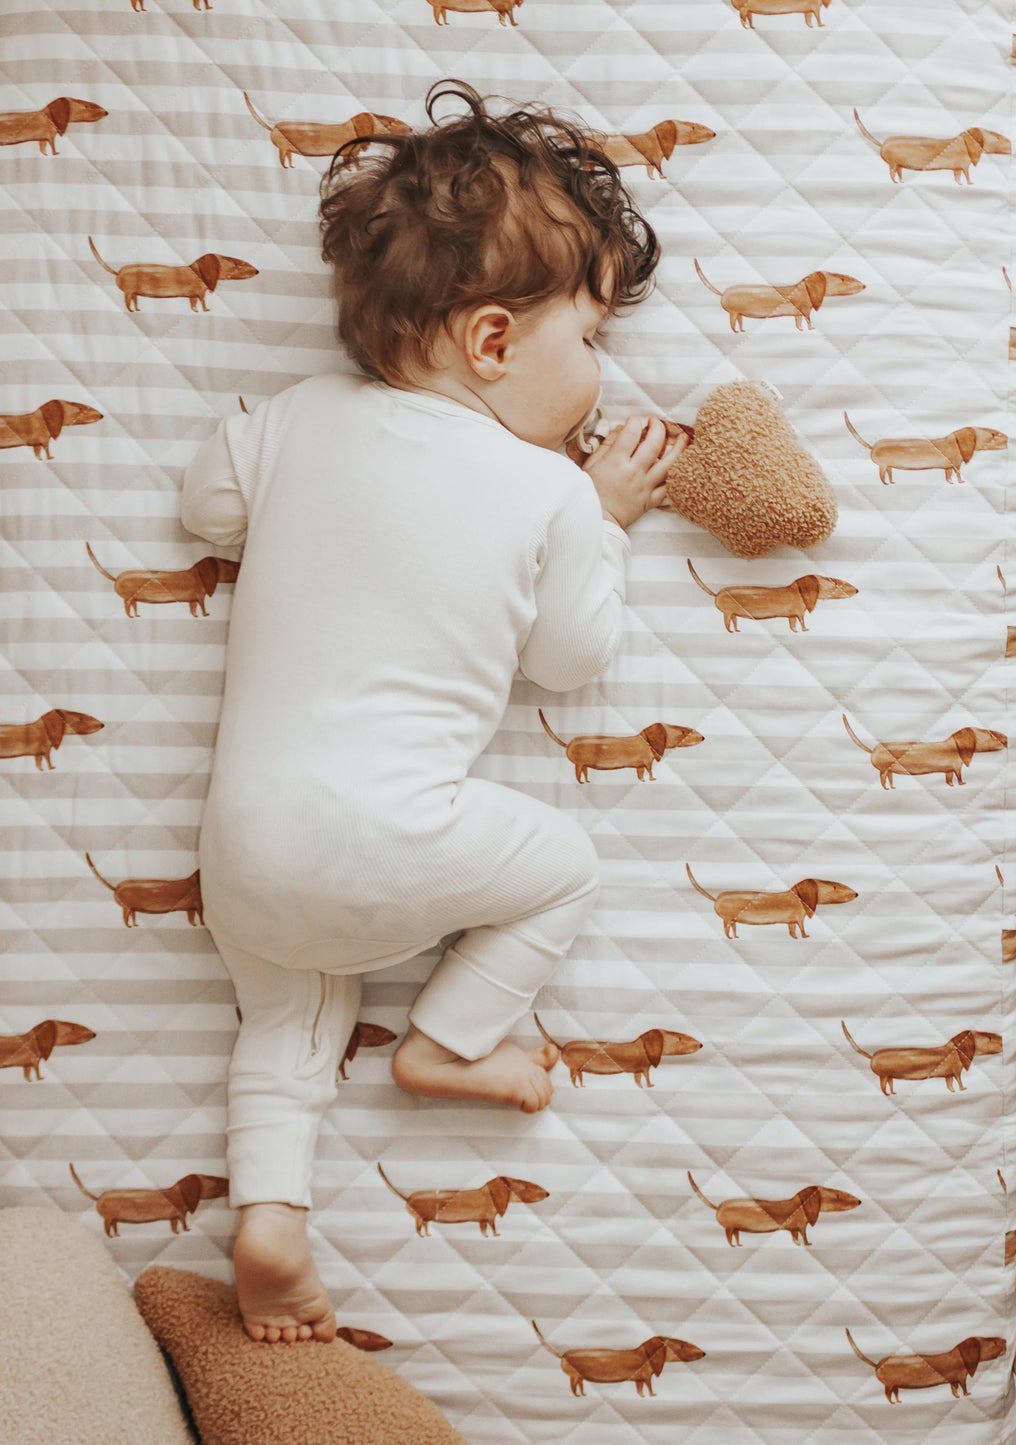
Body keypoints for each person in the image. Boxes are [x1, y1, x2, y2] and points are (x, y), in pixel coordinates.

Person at [178, 79, 687, 1345]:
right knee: (562, 866)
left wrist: (271, 477)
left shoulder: (298, 416)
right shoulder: (545, 492)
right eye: (591, 339)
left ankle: (270, 1214)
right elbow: (570, 660)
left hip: (242, 854)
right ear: (493, 343)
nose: (602, 373)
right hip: (388, 843)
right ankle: (448, 1040)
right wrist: (604, 519)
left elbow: (206, 509)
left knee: (287, 1019)